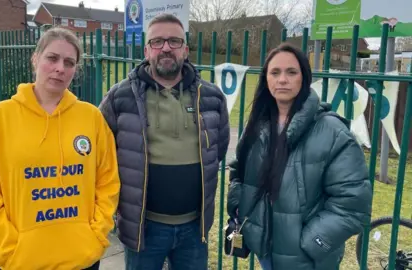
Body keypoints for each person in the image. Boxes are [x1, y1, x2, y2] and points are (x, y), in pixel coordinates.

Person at [0, 27, 120, 270]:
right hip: (21, 260)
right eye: (52, 58)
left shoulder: (91, 118)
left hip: (81, 258)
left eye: (69, 62)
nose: (60, 68)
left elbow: (108, 182)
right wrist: (6, 245)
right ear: (35, 58)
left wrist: (96, 234)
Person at [99, 13, 230, 270]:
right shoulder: (119, 97)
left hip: (195, 229)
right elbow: (102, 156)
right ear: (147, 50)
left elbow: (218, 149)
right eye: (157, 42)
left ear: (186, 50)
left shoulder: (212, 97)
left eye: (174, 41)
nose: (166, 48)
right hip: (144, 230)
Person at [226, 43, 373, 270]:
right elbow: (238, 172)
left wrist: (311, 241)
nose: (282, 79)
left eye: (291, 72)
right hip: (265, 249)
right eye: (275, 72)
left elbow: (353, 204)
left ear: (304, 78)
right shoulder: (257, 125)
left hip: (307, 259)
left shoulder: (333, 131)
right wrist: (239, 206)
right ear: (266, 79)